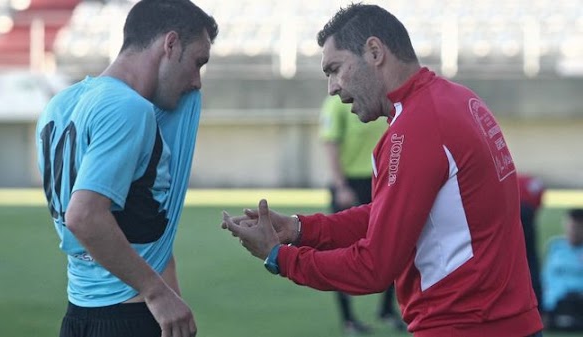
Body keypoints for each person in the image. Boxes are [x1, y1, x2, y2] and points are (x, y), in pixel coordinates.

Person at [221, 3, 543, 336]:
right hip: (509, 321)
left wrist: (279, 257)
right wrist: (299, 229)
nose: (331, 87)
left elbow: (374, 267)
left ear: (374, 52)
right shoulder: (458, 99)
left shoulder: (417, 127)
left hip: (465, 325)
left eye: (335, 68)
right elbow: (392, 215)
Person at [35, 1, 218, 337]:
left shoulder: (60, 105)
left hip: (78, 316)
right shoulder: (128, 108)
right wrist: (159, 293)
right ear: (170, 43)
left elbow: (146, 222)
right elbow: (84, 217)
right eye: (198, 63)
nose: (197, 82)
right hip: (129, 318)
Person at [319, 95, 401, 334]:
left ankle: (387, 309)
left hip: (379, 182)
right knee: (340, 252)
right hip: (350, 184)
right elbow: (330, 146)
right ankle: (348, 319)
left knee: (392, 245)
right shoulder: (335, 105)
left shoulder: (380, 102)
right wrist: (341, 185)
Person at [542, 208, 583, 331]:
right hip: (556, 300)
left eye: (577, 228)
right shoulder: (555, 246)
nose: (573, 232)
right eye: (571, 227)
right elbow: (545, 277)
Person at [518, 174, 545, 313]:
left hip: (516, 210)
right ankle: (537, 305)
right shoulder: (534, 182)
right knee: (531, 260)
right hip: (525, 211)